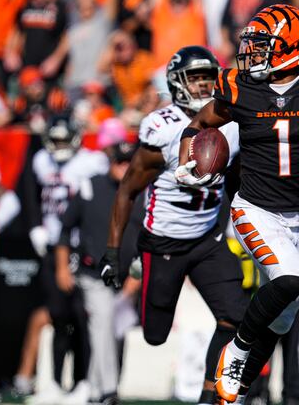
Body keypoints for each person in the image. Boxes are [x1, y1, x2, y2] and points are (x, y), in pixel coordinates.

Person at [175, 4, 299, 403]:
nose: (252, 53)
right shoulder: (240, 86)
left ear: (294, 48)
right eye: (252, 45)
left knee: (281, 321)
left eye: (263, 46)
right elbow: (200, 124)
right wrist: (187, 160)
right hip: (255, 209)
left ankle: (233, 395)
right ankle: (235, 351)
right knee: (287, 279)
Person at [100, 45, 247, 405]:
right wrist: (113, 251)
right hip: (163, 242)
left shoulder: (232, 122)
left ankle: (211, 395)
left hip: (208, 238)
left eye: (207, 78)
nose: (201, 86)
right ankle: (142, 267)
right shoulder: (162, 128)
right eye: (194, 78)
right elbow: (127, 190)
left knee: (236, 318)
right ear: (177, 83)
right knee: (154, 334)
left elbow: (238, 176)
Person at [25, 116, 108, 400]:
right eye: (55, 139)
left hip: (80, 248)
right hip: (51, 246)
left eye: (64, 139)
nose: (59, 145)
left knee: (83, 318)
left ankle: (83, 381)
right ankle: (57, 383)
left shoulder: (91, 162)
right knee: (58, 316)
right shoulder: (41, 161)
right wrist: (36, 225)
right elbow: (32, 194)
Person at [55, 141, 143, 404]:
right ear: (112, 162)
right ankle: (108, 390)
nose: (124, 167)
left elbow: (149, 239)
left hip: (129, 277)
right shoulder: (90, 187)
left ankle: (95, 390)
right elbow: (64, 228)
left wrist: (135, 280)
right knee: (102, 326)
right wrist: (62, 266)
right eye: (120, 161)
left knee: (114, 332)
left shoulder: (142, 193)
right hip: (94, 273)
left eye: (129, 162)